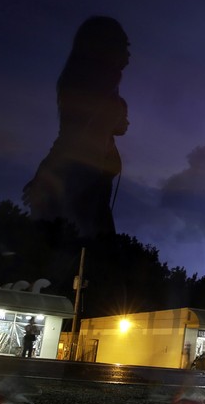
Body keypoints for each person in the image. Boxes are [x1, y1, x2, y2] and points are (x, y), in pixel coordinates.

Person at [23, 16, 131, 239]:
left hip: (89, 189)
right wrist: (45, 177)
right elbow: (72, 136)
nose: (129, 54)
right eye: (124, 46)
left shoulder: (106, 88)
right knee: (80, 252)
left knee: (89, 254)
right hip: (78, 187)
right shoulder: (97, 86)